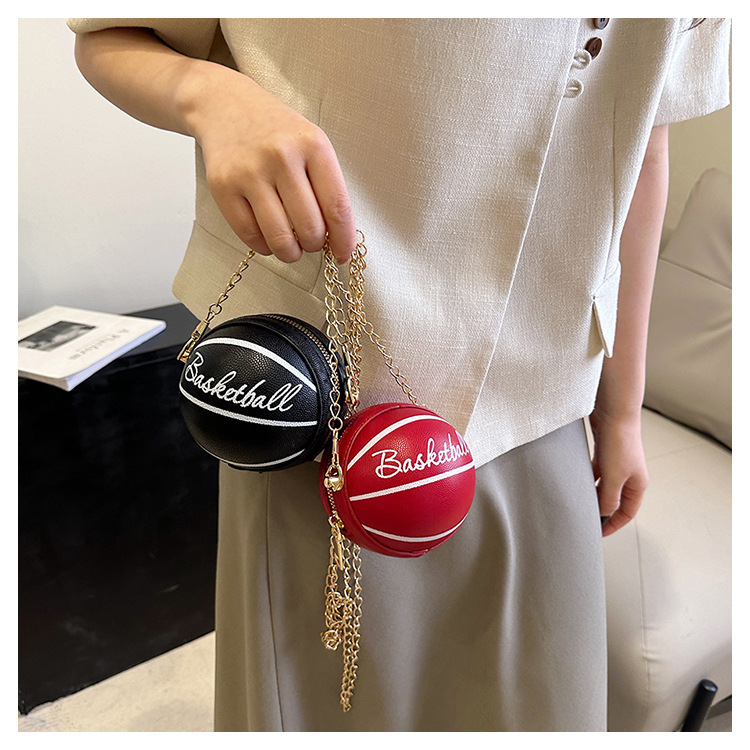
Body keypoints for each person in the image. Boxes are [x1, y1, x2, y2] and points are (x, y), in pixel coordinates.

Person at [69, 18, 730, 731]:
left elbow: (643, 146)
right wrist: (213, 98)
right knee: (323, 702)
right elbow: (108, 35)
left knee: (542, 698)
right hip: (323, 409)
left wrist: (621, 411)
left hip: (547, 393)